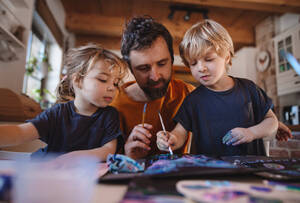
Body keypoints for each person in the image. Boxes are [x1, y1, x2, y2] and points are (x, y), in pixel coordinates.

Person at [156, 19, 279, 157]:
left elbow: (272, 121)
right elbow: (179, 134)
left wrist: (251, 133)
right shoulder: (193, 100)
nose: (201, 68)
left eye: (208, 59)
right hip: (209, 173)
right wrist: (170, 139)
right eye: (193, 63)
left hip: (250, 172)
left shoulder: (249, 89)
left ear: (226, 57)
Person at [0, 44, 127, 165]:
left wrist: (75, 157)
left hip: (83, 177)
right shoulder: (58, 113)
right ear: (78, 80)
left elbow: (109, 150)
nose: (112, 88)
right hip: (46, 170)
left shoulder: (110, 115)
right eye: (103, 80)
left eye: (115, 83)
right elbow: (21, 132)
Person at [110, 16, 195, 160]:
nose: (155, 76)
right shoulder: (113, 105)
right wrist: (127, 155)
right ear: (131, 69)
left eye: (162, 64)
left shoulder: (189, 94)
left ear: (172, 60)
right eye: (143, 68)